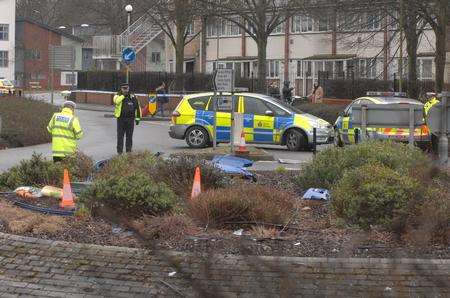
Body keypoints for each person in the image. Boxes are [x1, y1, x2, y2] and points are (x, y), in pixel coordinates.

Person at [113, 83, 142, 154]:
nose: (125, 90)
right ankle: (119, 152)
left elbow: (138, 108)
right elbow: (116, 101)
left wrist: (138, 118)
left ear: (129, 89)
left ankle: (128, 152)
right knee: (120, 136)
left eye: (127, 88)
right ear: (121, 89)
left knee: (129, 137)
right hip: (121, 119)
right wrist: (123, 95)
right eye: (124, 88)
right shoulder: (117, 95)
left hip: (130, 120)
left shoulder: (133, 97)